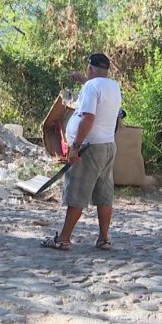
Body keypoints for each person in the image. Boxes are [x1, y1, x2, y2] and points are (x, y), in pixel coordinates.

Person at [41, 53, 122, 251]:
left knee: (77, 193)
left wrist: (75, 146)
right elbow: (96, 88)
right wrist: (82, 80)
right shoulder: (113, 86)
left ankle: (64, 238)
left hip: (89, 147)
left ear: (90, 69)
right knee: (104, 195)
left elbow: (88, 118)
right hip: (108, 146)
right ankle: (103, 238)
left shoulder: (91, 87)